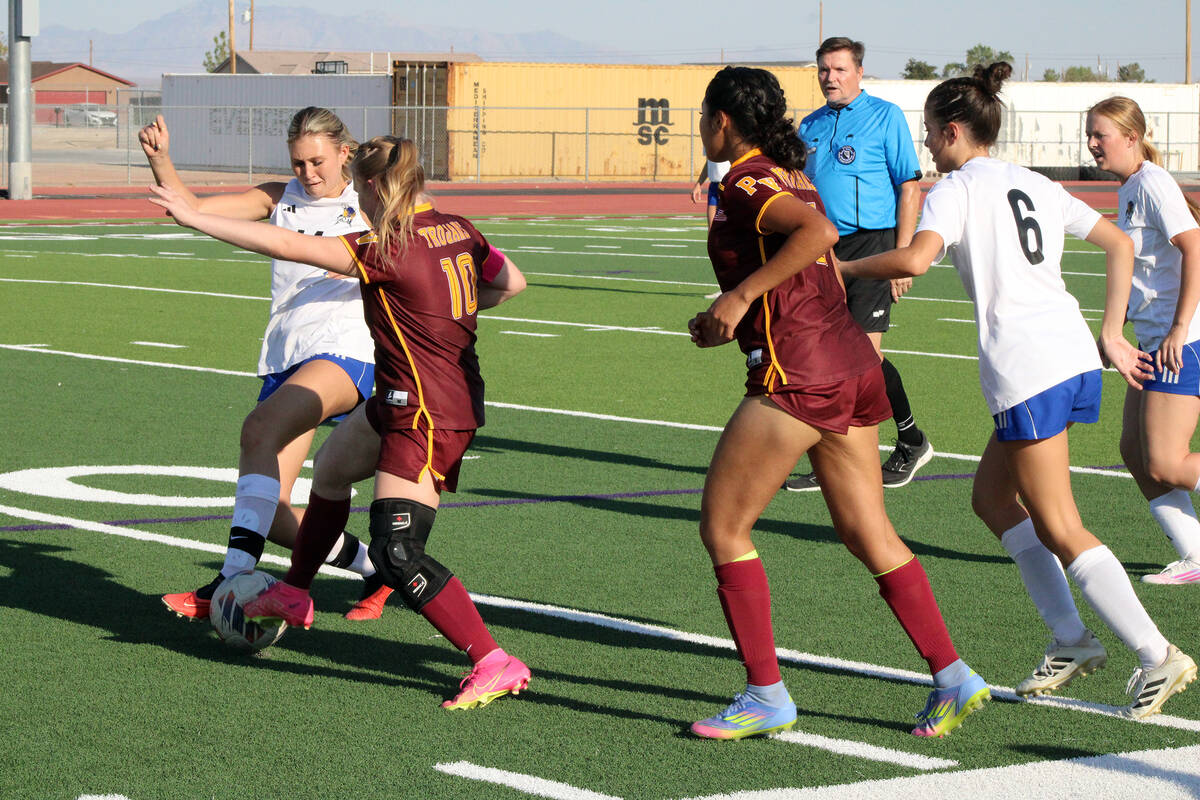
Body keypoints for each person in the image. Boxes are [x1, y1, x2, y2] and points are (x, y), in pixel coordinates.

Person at [840, 63, 1196, 718]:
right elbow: (1117, 243)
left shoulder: (958, 187)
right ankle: (1070, 638)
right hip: (1064, 356)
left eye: (930, 134)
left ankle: (1156, 653)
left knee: (1058, 521)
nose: (928, 146)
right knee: (992, 498)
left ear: (953, 131)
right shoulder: (1028, 181)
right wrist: (1112, 333)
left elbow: (915, 259)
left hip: (1027, 366)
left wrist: (840, 265)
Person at [149, 135, 532, 710]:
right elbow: (510, 283)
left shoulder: (390, 246)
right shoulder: (459, 228)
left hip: (428, 411)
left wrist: (196, 218)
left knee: (398, 550)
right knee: (329, 472)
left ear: (375, 188)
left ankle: (492, 659)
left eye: (364, 193)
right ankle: (295, 593)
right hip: (401, 394)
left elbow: (287, 244)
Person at [687, 65, 988, 740]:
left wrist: (735, 299)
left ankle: (766, 695)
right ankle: (954, 675)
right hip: (848, 362)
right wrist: (731, 317)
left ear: (723, 121)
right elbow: (802, 257)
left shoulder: (746, 176)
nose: (700, 128)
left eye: (703, 116)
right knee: (868, 533)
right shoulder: (786, 172)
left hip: (803, 372)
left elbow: (817, 236)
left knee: (724, 528)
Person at [139, 108, 394, 622]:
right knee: (271, 513)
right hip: (286, 355)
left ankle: (229, 581)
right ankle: (375, 568)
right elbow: (190, 208)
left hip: (347, 351)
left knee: (258, 429)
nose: (308, 173)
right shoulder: (278, 196)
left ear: (345, 152)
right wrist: (162, 159)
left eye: (317, 161)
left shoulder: (369, 201)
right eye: (298, 163)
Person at [787, 37, 931, 492]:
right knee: (822, 355)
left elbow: (909, 188)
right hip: (821, 249)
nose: (830, 77)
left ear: (859, 72)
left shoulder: (885, 116)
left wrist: (904, 259)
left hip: (873, 245)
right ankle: (831, 457)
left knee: (864, 356)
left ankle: (911, 440)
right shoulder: (808, 125)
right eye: (824, 70)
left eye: (840, 69)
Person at [1087, 96, 1200, 586]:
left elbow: (1195, 247)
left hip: (1182, 342)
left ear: (1132, 138)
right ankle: (1195, 556)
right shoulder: (1131, 186)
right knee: (1134, 452)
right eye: (1089, 135)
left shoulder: (1152, 182)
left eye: (1101, 135)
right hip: (1151, 343)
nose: (1092, 145)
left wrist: (1178, 328)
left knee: (1167, 463)